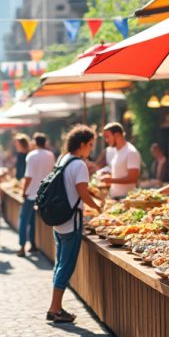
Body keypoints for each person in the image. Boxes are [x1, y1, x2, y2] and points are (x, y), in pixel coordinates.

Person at [47, 125, 103, 324]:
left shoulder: (62, 159)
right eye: (91, 145)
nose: (91, 149)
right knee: (66, 266)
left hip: (59, 220)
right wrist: (98, 208)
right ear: (82, 144)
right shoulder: (79, 164)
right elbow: (83, 193)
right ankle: (55, 309)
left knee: (59, 264)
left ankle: (55, 306)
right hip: (71, 222)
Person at [19, 133, 55, 257]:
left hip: (31, 193)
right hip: (45, 194)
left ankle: (22, 246)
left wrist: (24, 191)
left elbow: (28, 176)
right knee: (33, 219)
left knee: (24, 219)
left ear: (35, 142)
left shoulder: (31, 155)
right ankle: (33, 244)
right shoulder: (50, 155)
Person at [100, 122, 141, 200]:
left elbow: (133, 178)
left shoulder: (131, 152)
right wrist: (109, 176)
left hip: (126, 199)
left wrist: (111, 180)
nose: (106, 140)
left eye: (108, 137)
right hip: (116, 198)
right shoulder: (116, 151)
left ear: (117, 135)